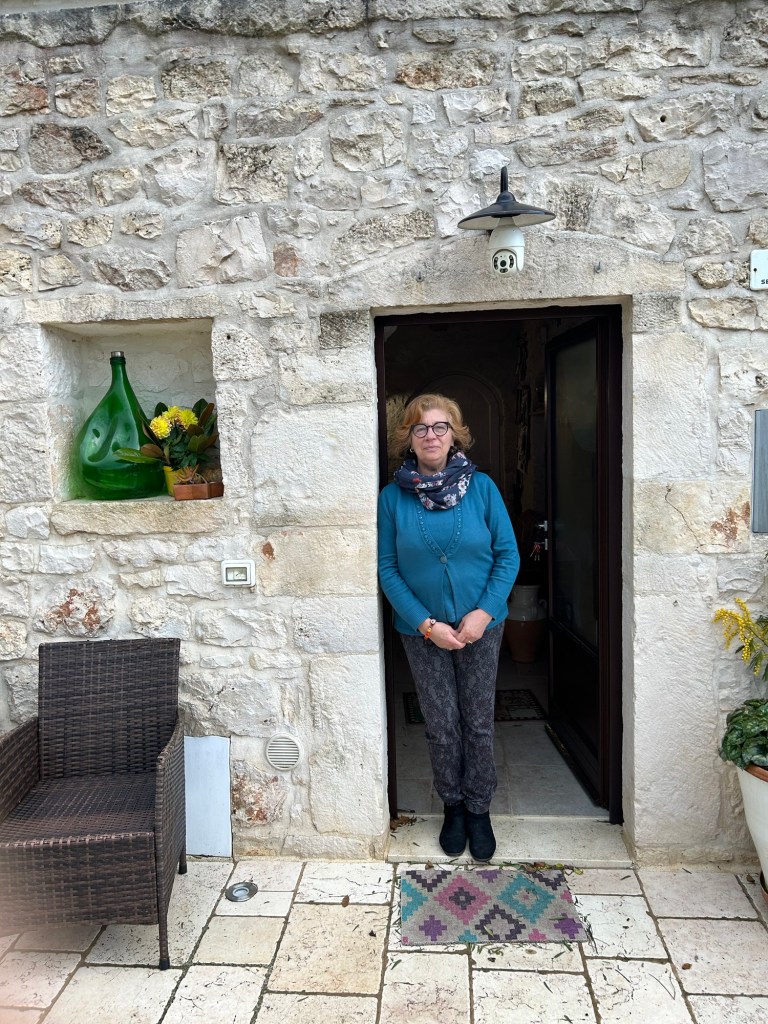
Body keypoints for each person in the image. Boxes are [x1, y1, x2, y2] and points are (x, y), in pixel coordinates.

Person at [378, 393, 520, 860]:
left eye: (440, 427)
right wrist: (426, 624)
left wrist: (483, 612)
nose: (431, 435)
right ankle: (453, 806)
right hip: (421, 632)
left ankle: (479, 809)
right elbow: (387, 568)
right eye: (420, 428)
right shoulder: (392, 498)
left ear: (454, 435)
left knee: (477, 722)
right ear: (408, 438)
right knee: (440, 724)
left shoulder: (483, 489)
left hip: (483, 626)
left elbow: (508, 555)